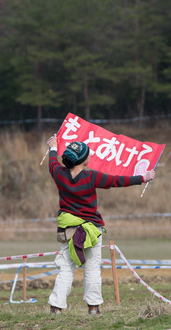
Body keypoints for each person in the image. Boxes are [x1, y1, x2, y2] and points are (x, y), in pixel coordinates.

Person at [45, 134, 155, 314]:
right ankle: (93, 307)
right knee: (92, 268)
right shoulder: (92, 176)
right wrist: (143, 177)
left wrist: (53, 146)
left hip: (69, 230)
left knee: (65, 268)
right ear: (82, 160)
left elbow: (52, 162)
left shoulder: (59, 174)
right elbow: (117, 181)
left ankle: (56, 307)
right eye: (88, 154)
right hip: (92, 230)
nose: (90, 156)